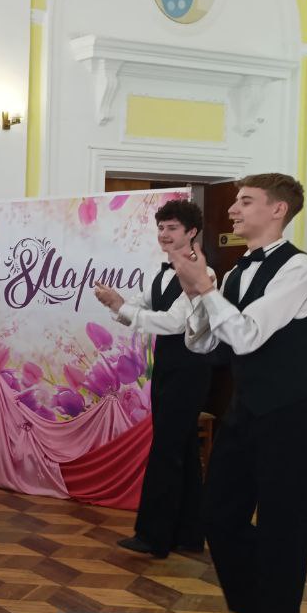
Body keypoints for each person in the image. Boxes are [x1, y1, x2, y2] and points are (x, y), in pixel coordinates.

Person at [172, 173, 307, 613]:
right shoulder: (237, 271)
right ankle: (258, 608)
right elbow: (205, 342)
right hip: (245, 411)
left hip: (290, 414)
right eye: (235, 201)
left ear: (278, 210)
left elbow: (248, 335)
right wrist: (198, 296)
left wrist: (206, 289)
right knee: (218, 515)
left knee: (283, 531)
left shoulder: (300, 268)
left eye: (245, 201)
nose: (233, 210)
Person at [94, 198, 215, 559]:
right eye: (161, 227)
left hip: (190, 369)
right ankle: (189, 535)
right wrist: (117, 303)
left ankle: (153, 536)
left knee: (167, 450)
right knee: (182, 450)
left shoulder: (204, 274)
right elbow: (141, 305)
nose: (163, 234)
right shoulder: (163, 273)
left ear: (191, 232)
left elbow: (174, 322)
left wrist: (122, 307)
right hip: (167, 366)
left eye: (172, 228)